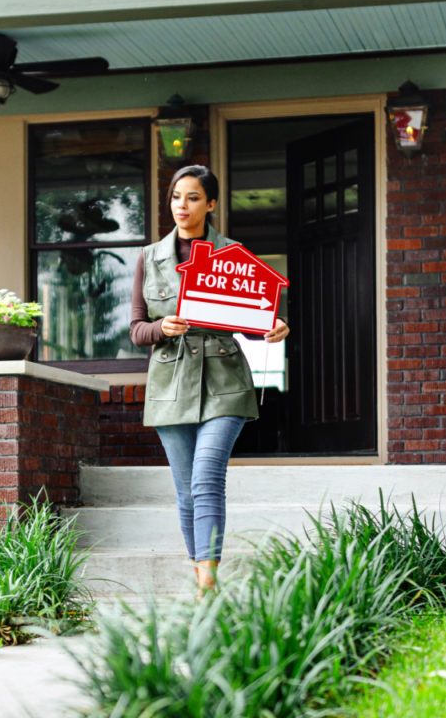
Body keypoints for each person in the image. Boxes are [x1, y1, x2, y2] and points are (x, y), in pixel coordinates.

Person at [130, 164, 288, 591]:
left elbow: (254, 320)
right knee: (186, 492)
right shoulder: (149, 258)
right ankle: (202, 577)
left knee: (205, 478)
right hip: (170, 385)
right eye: (177, 197)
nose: (183, 205)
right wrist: (160, 329)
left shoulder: (233, 254)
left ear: (211, 203)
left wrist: (275, 326)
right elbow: (137, 329)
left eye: (194, 197)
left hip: (225, 383)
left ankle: (207, 587)